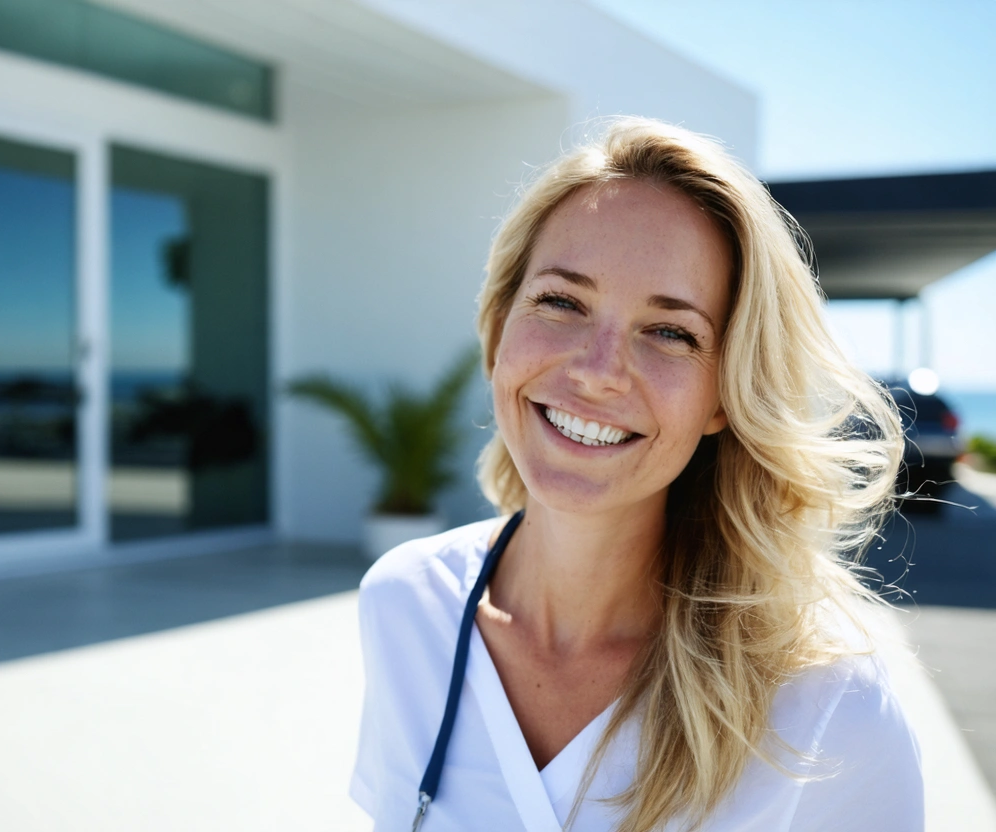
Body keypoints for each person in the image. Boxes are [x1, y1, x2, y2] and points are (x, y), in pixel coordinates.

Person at [349, 117, 923, 832]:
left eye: (671, 332)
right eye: (562, 302)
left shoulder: (828, 708)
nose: (596, 373)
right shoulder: (406, 606)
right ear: (498, 328)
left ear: (724, 396)